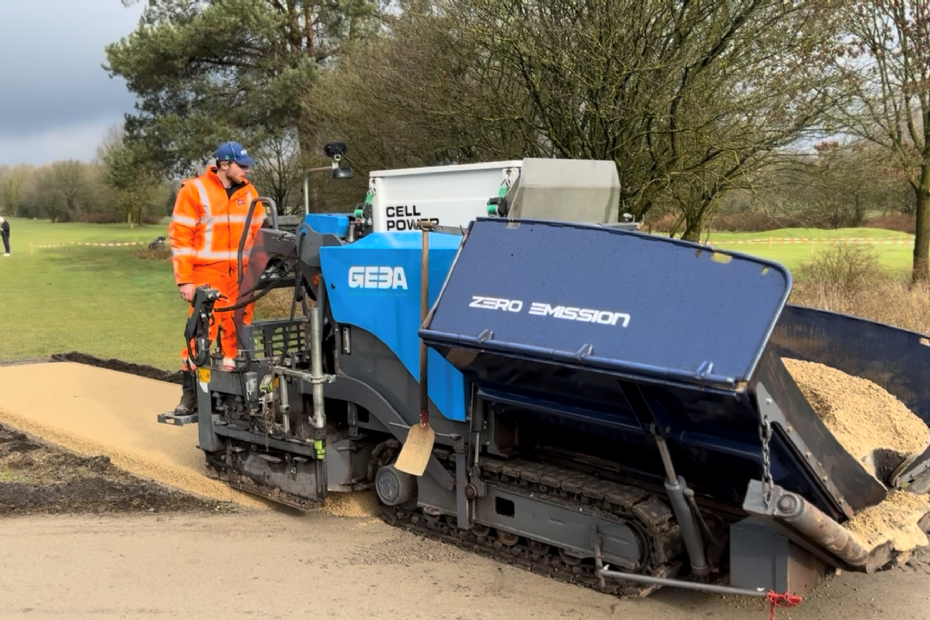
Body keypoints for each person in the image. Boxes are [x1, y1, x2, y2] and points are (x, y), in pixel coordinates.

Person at [168, 141, 266, 416]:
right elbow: (180, 238)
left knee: (238, 328)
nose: (246, 170)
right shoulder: (194, 190)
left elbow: (259, 234)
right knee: (201, 332)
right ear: (224, 164)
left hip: (240, 274)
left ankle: (233, 393)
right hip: (206, 274)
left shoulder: (250, 193)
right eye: (242, 165)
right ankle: (191, 395)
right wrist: (185, 280)